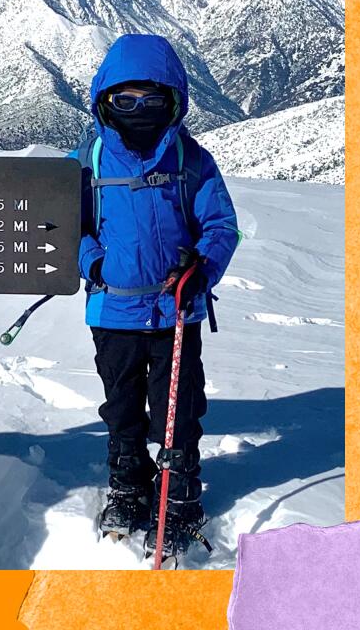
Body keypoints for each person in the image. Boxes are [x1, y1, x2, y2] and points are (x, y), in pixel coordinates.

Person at [75, 34, 239, 559]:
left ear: (174, 100)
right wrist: (92, 262)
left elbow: (220, 224)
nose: (139, 111)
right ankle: (129, 482)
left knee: (179, 404)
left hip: (177, 309)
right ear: (105, 101)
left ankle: (180, 490)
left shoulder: (192, 160)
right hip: (114, 309)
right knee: (122, 405)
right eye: (126, 101)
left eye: (152, 100)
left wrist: (202, 266)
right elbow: (63, 226)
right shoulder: (90, 160)